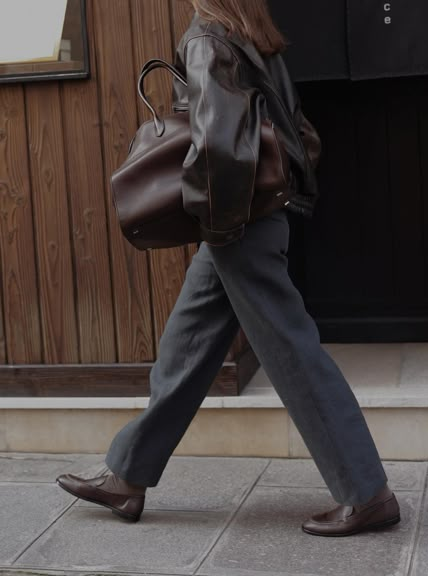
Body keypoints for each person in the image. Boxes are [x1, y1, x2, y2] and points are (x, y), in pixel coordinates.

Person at [56, 0, 401, 537]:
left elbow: (217, 144)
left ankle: (366, 492)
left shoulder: (206, 38)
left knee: (291, 352)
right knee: (185, 344)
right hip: (250, 218)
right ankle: (127, 474)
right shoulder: (250, 33)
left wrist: (215, 225)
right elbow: (299, 130)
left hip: (235, 224)